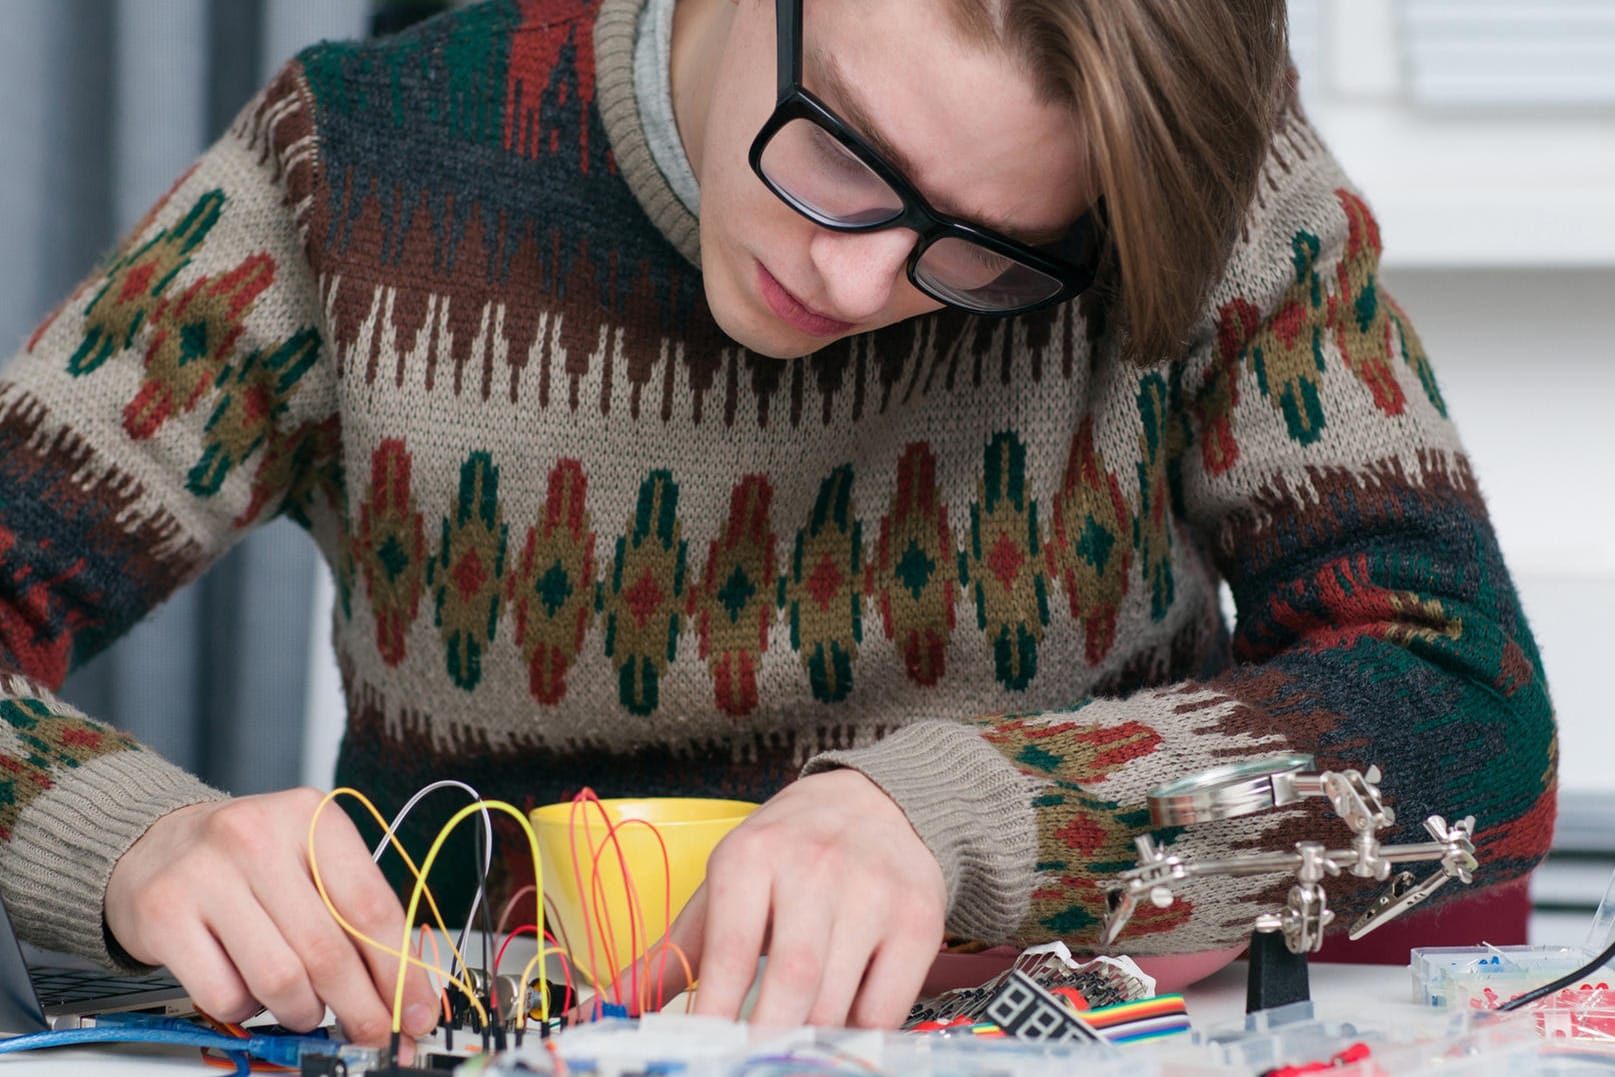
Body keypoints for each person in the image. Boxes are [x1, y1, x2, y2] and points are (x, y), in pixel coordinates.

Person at [0, 0, 1556, 1052]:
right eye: (844, 156)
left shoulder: (1198, 184)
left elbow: (1468, 714)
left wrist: (983, 823)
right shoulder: (362, 169)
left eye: (992, 254)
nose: (863, 284)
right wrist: (126, 840)